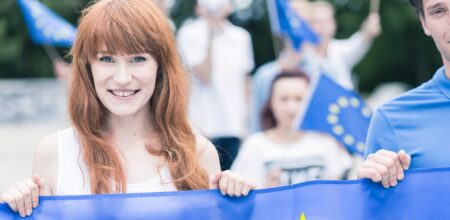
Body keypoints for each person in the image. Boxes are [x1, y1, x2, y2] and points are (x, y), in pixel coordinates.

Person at [0, 0, 255, 218]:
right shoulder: (54, 152)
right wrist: (20, 205)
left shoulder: (198, 153)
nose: (122, 77)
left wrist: (238, 202)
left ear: (161, 68)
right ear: (88, 67)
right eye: (107, 59)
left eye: (138, 59)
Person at [357, 0, 450, 188]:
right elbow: (376, 213)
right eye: (439, 11)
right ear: (424, 23)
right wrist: (367, 189)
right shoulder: (391, 119)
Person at [249, 0, 381, 132]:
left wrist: (368, 31)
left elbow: (359, 43)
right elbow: (258, 121)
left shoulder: (329, 66)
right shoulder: (266, 75)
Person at [232, 70, 353, 188]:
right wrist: (266, 191)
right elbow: (242, 195)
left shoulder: (326, 140)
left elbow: (341, 189)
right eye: (284, 99)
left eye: (299, 99)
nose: (291, 108)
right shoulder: (255, 145)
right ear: (271, 103)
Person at [177, 0, 254, 171]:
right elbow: (204, 75)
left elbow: (246, 81)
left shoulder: (241, 37)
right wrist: (211, 34)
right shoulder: (189, 33)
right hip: (202, 127)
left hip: (233, 126)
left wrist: (245, 122)